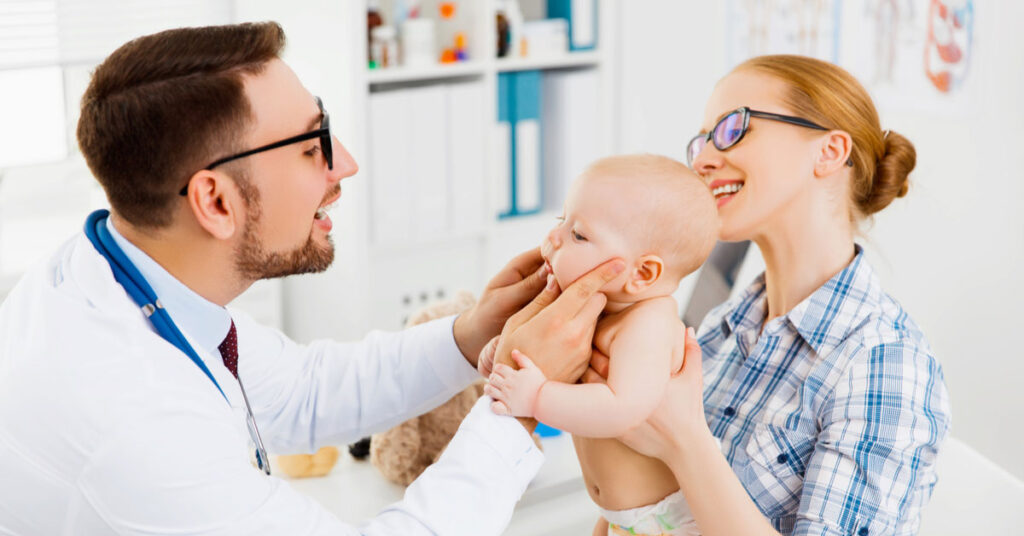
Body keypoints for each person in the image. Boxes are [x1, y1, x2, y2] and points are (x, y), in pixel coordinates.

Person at [0, 22, 624, 535]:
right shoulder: (130, 419)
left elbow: (304, 391)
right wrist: (516, 402)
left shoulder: (120, 271)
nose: (344, 164)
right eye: (310, 145)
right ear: (215, 203)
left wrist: (472, 335)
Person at [585, 55, 952, 536]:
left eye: (734, 127)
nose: (701, 160)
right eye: (702, 140)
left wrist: (686, 442)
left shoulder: (884, 362)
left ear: (829, 152)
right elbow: (641, 510)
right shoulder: (727, 322)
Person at [481, 154, 718, 536]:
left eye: (579, 234)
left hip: (667, 525)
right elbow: (548, 358)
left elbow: (622, 408)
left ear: (642, 273)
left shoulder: (650, 323)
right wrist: (504, 352)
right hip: (623, 519)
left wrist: (537, 396)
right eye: (562, 221)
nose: (553, 237)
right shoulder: (596, 309)